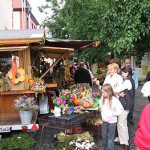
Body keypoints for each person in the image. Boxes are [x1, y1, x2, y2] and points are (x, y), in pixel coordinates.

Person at [114, 66, 135, 150]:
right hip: (127, 105)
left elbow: (116, 90)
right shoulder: (130, 80)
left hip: (125, 105)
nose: (122, 74)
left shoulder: (127, 82)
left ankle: (125, 143)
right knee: (123, 124)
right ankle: (125, 140)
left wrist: (116, 87)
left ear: (127, 73)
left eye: (123, 73)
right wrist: (119, 94)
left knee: (121, 124)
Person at [99, 83, 124, 150]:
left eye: (104, 93)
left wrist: (113, 113)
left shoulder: (114, 100)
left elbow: (120, 109)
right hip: (105, 120)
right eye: (102, 93)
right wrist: (100, 107)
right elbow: (100, 102)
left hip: (112, 121)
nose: (103, 94)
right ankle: (104, 147)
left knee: (111, 137)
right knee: (104, 135)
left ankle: (110, 148)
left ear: (108, 92)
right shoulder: (103, 98)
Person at [123, 58, 138, 125]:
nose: (128, 64)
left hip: (131, 92)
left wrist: (133, 89)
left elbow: (136, 82)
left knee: (131, 104)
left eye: (129, 63)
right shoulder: (122, 72)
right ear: (123, 63)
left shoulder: (133, 72)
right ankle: (125, 118)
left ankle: (130, 118)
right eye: (127, 63)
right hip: (123, 92)